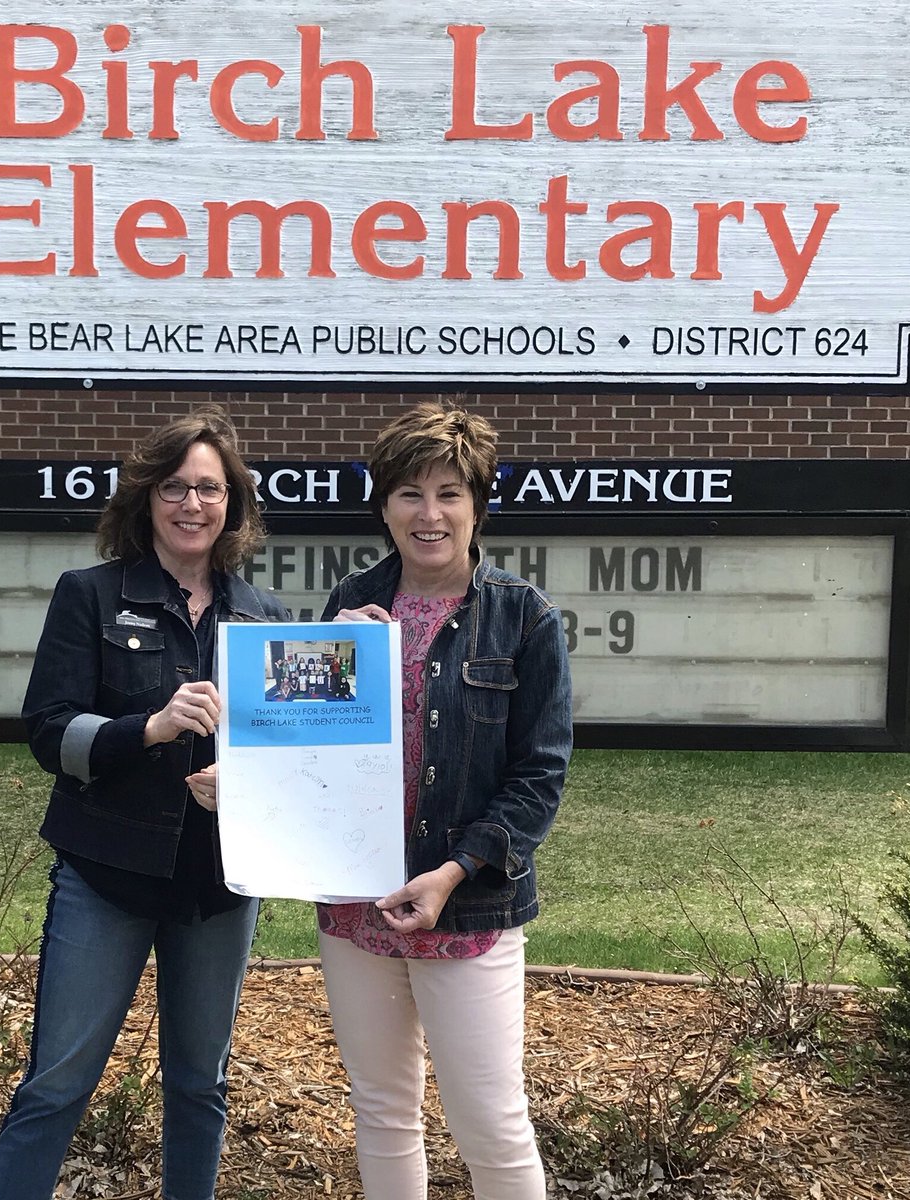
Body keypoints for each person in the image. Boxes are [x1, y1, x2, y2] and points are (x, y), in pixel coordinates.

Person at [0, 408, 287, 1200]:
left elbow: (290, 761)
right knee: (55, 1083)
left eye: (211, 489)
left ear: (235, 505)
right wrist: (146, 729)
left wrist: (247, 783)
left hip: (219, 887)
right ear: (147, 498)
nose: (194, 505)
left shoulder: (263, 619)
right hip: (106, 874)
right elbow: (49, 733)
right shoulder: (88, 595)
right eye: (176, 487)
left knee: (200, 1085)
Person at [318, 401, 573, 1199]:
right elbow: (311, 753)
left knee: (490, 1121)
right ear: (383, 506)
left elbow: (540, 772)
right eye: (409, 494)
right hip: (358, 903)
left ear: (478, 505)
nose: (429, 514)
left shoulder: (523, 616)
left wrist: (457, 870)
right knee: (382, 1110)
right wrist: (339, 656)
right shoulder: (348, 604)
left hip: (466, 906)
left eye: (450, 493)